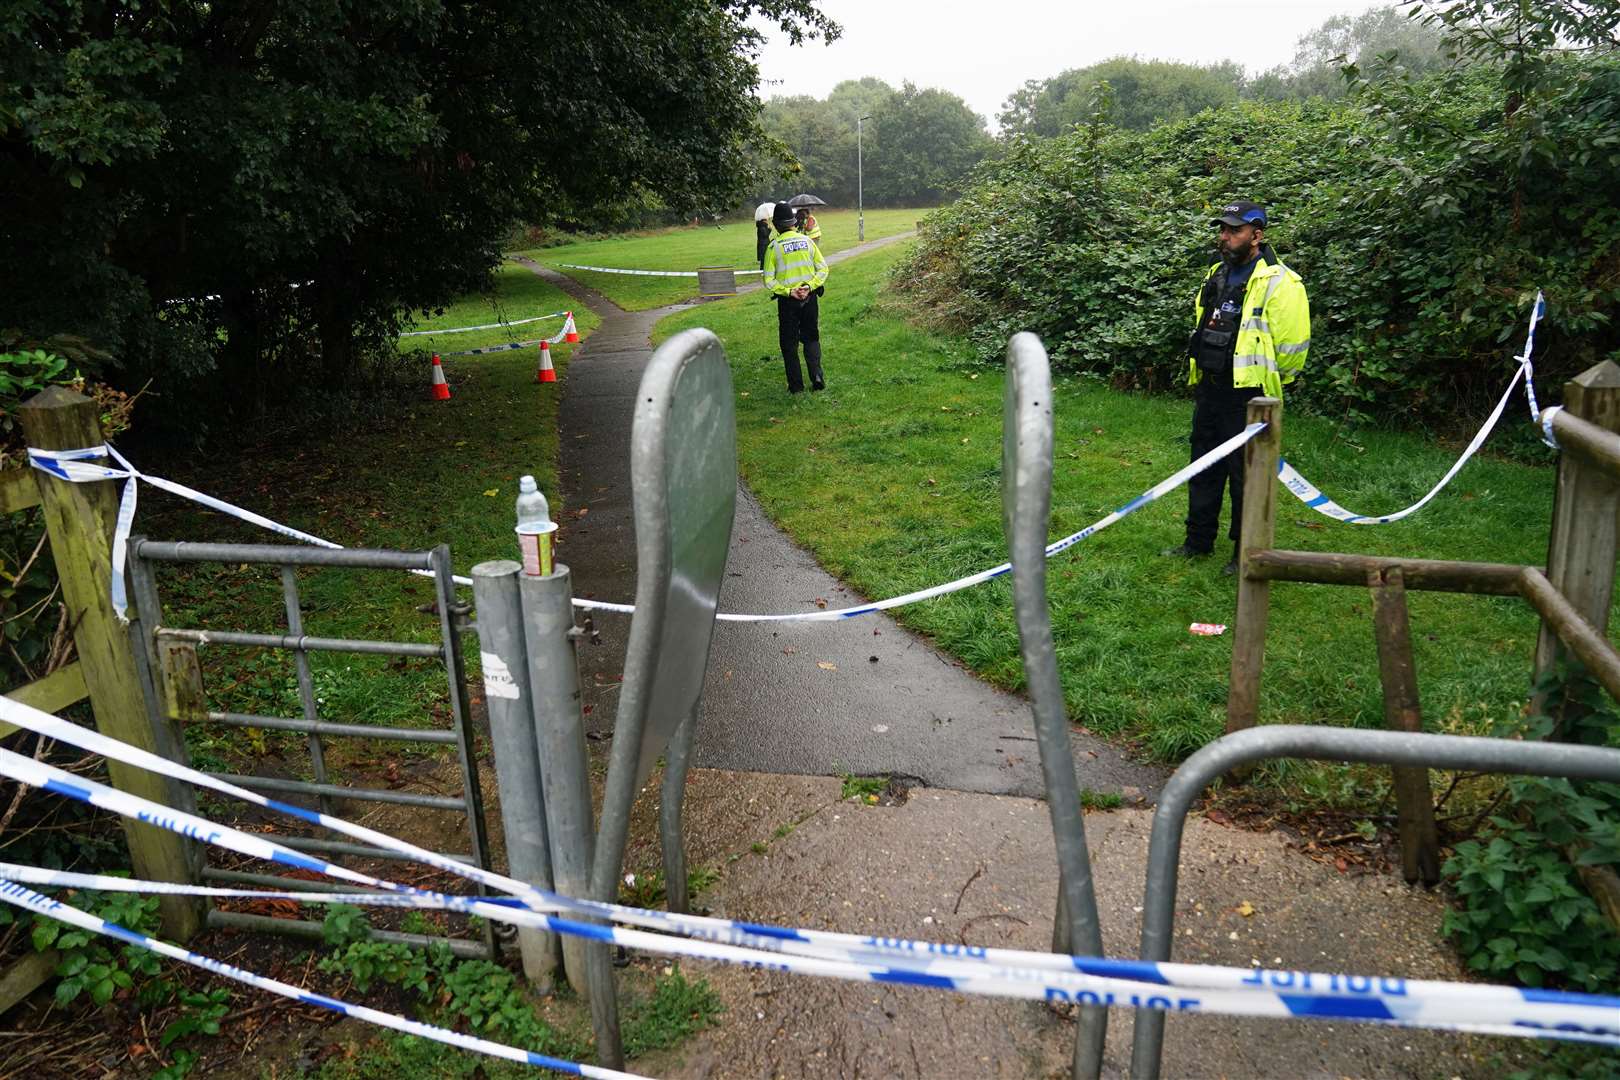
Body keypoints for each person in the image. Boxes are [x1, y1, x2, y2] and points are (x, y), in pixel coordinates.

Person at [1162, 199, 1310, 574]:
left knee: (1246, 477)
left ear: (1257, 235)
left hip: (1250, 396)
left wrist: (1273, 388)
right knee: (1203, 467)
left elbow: (1292, 346)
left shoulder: (1281, 281)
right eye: (1223, 229)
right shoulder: (1216, 273)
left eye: (1234, 230)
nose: (1224, 237)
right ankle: (1197, 542)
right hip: (1210, 388)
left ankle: (1243, 552)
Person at [762, 201, 829, 393]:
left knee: (789, 344)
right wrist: (809, 286)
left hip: (788, 302)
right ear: (793, 223)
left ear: (775, 225)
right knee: (811, 337)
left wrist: (789, 291)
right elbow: (823, 269)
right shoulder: (807, 241)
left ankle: (796, 386)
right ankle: (817, 376)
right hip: (810, 299)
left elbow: (768, 280)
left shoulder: (773, 247)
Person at [754, 201, 775, 269]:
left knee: (765, 258)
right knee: (764, 258)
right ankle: (762, 270)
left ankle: (764, 269)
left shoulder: (763, 225)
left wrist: (768, 227)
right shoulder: (762, 226)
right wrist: (770, 229)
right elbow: (765, 235)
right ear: (764, 219)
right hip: (763, 245)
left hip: (763, 244)